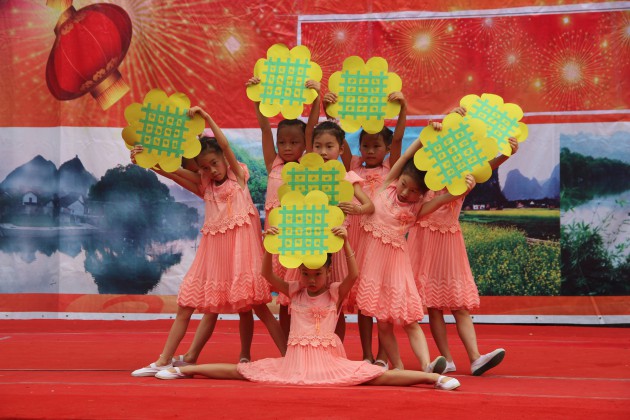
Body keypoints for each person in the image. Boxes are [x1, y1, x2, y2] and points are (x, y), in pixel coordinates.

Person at [154, 226, 461, 391]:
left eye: (317, 274)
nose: (311, 279)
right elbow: (267, 275)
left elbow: (353, 274)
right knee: (242, 371)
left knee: (375, 376)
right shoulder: (294, 290)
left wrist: (346, 244)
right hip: (295, 361)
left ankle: (434, 379)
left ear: (328, 272)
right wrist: (268, 245)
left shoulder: (335, 292)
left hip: (328, 359)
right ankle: (183, 369)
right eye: (306, 273)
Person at [130, 106, 287, 377]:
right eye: (205, 167)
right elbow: (171, 172)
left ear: (225, 160)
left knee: (260, 309)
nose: (212, 170)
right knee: (186, 306)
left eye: (215, 163)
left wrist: (207, 117)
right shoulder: (205, 187)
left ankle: (290, 357)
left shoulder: (239, 177)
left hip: (241, 258)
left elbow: (223, 144)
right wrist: (145, 159)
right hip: (214, 258)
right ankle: (163, 360)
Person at [407, 107, 518, 376]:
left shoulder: (465, 175)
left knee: (458, 304)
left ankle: (476, 358)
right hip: (424, 241)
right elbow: (412, 155)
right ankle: (446, 359)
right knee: (434, 305)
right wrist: (440, 122)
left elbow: (485, 168)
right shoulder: (426, 174)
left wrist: (506, 154)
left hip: (450, 242)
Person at [354, 131, 476, 373]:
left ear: (422, 195)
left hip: (397, 267)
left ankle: (427, 364)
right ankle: (398, 367)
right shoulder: (387, 186)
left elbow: (443, 200)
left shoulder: (417, 209)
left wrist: (465, 189)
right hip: (373, 267)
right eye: (404, 185)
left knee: (409, 319)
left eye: (413, 191)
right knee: (383, 321)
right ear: (398, 179)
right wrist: (423, 138)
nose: (404, 193)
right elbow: (405, 156)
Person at [323, 90, 407, 367]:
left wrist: (403, 108)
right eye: (365, 146)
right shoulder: (353, 165)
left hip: (378, 238)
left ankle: (382, 356)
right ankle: (367, 354)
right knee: (361, 299)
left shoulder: (390, 169)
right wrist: (329, 111)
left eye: (376, 146)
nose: (370, 151)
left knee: (378, 297)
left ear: (386, 149)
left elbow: (398, 139)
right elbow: (338, 140)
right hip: (355, 237)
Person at [284, 120, 375, 341]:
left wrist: (356, 209)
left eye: (329, 146)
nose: (323, 152)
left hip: (334, 244)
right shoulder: (306, 176)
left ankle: (335, 350)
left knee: (334, 302)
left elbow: (370, 206)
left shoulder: (347, 177)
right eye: (318, 146)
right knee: (296, 299)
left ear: (341, 149)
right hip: (309, 242)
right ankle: (295, 347)